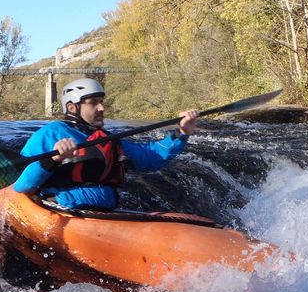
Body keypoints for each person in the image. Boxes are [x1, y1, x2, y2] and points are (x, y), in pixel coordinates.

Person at [13, 78, 198, 210]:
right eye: (94, 103)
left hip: (104, 213)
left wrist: (182, 132)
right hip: (62, 209)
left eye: (101, 102)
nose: (101, 108)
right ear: (72, 107)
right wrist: (52, 160)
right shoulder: (51, 133)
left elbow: (152, 157)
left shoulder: (108, 139)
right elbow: (21, 186)